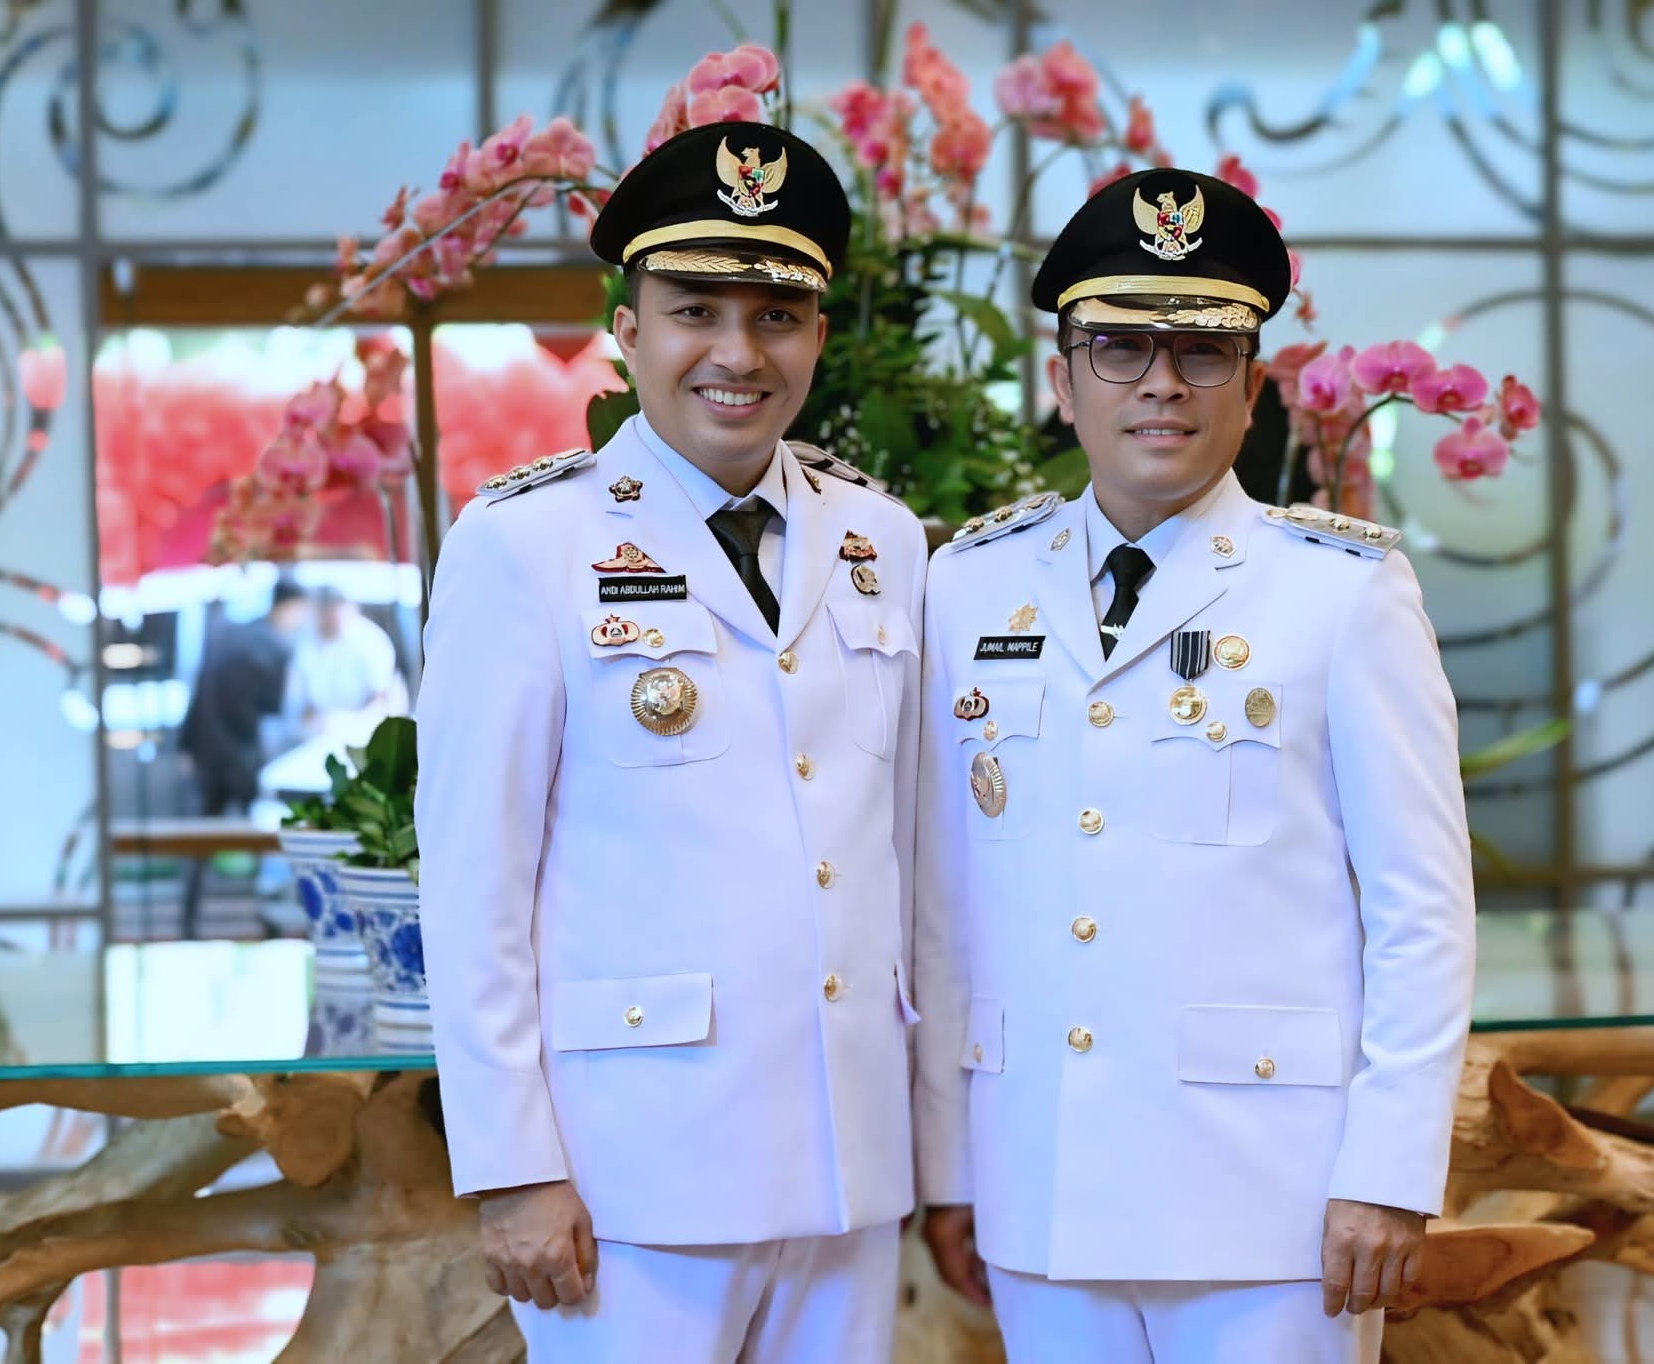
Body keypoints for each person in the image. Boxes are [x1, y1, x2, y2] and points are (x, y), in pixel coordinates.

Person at [911, 168, 1477, 1363]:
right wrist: (948, 1165)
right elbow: (947, 905)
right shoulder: (965, 586)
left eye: (1202, 352)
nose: (1160, 383)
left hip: (1271, 1202)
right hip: (1039, 1185)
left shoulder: (1340, 594)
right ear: (1061, 381)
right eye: (1118, 348)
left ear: (1252, 387)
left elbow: (1421, 913)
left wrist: (1387, 1170)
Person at [415, 121, 926, 1362]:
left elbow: (907, 853)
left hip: (848, 1162)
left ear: (818, 336)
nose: (737, 354)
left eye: (776, 317)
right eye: (695, 311)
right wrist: (511, 1165)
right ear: (627, 329)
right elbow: (474, 881)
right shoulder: (525, 543)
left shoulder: (883, 539)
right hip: (629, 1175)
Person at [176, 577, 307, 937]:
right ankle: (271, 924)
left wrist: (186, 745)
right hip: (246, 757)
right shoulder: (275, 646)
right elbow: (276, 708)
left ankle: (188, 923)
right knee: (266, 841)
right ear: (290, 607)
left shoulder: (228, 635)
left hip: (208, 753)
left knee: (201, 843)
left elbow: (200, 691)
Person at [283, 585, 405, 736]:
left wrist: (350, 723)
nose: (329, 619)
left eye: (334, 611)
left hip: (368, 729)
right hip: (318, 733)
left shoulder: (372, 641)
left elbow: (383, 700)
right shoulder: (304, 643)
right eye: (324, 613)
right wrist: (320, 722)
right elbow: (297, 705)